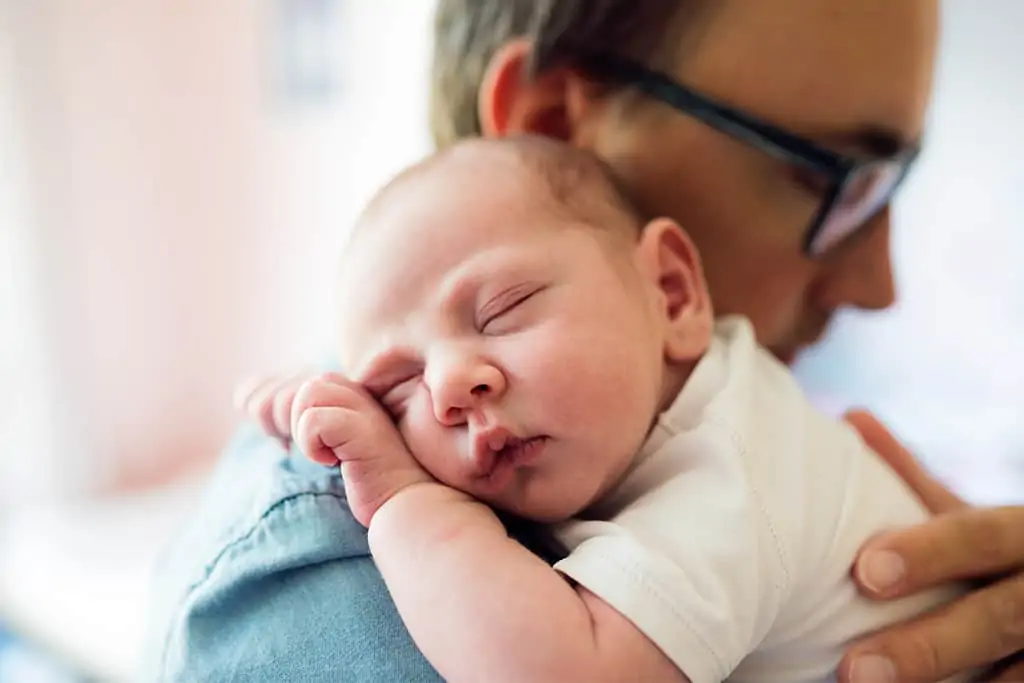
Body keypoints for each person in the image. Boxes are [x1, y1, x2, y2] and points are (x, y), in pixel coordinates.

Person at [145, 1, 1024, 682]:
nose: (879, 285)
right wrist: (405, 498)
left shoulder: (735, 452)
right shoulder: (320, 572)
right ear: (554, 126)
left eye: (884, 187)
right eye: (826, 175)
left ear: (672, 286)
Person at [284, 134, 971, 683]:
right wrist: (305, 406)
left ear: (670, 294)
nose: (448, 388)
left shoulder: (733, 466)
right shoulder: (638, 413)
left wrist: (409, 504)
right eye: (396, 390)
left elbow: (572, 670)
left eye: (503, 310)